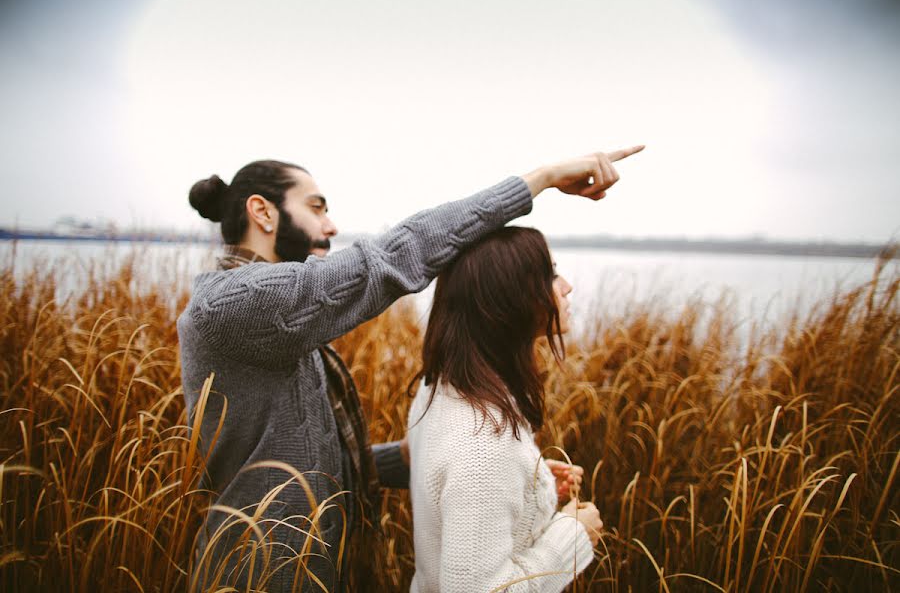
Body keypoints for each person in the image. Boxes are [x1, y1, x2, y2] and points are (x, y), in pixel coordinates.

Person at [177, 146, 642, 592]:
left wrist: (415, 458)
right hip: (261, 576)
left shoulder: (277, 322)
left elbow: (294, 462)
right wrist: (539, 180)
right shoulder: (233, 305)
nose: (330, 225)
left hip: (300, 571)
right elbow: (389, 259)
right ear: (263, 212)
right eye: (316, 208)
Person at [406, 226, 604, 592]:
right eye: (550, 274)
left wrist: (535, 489)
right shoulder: (485, 443)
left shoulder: (436, 386)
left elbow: (456, 498)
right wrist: (572, 535)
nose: (566, 286)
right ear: (510, 298)